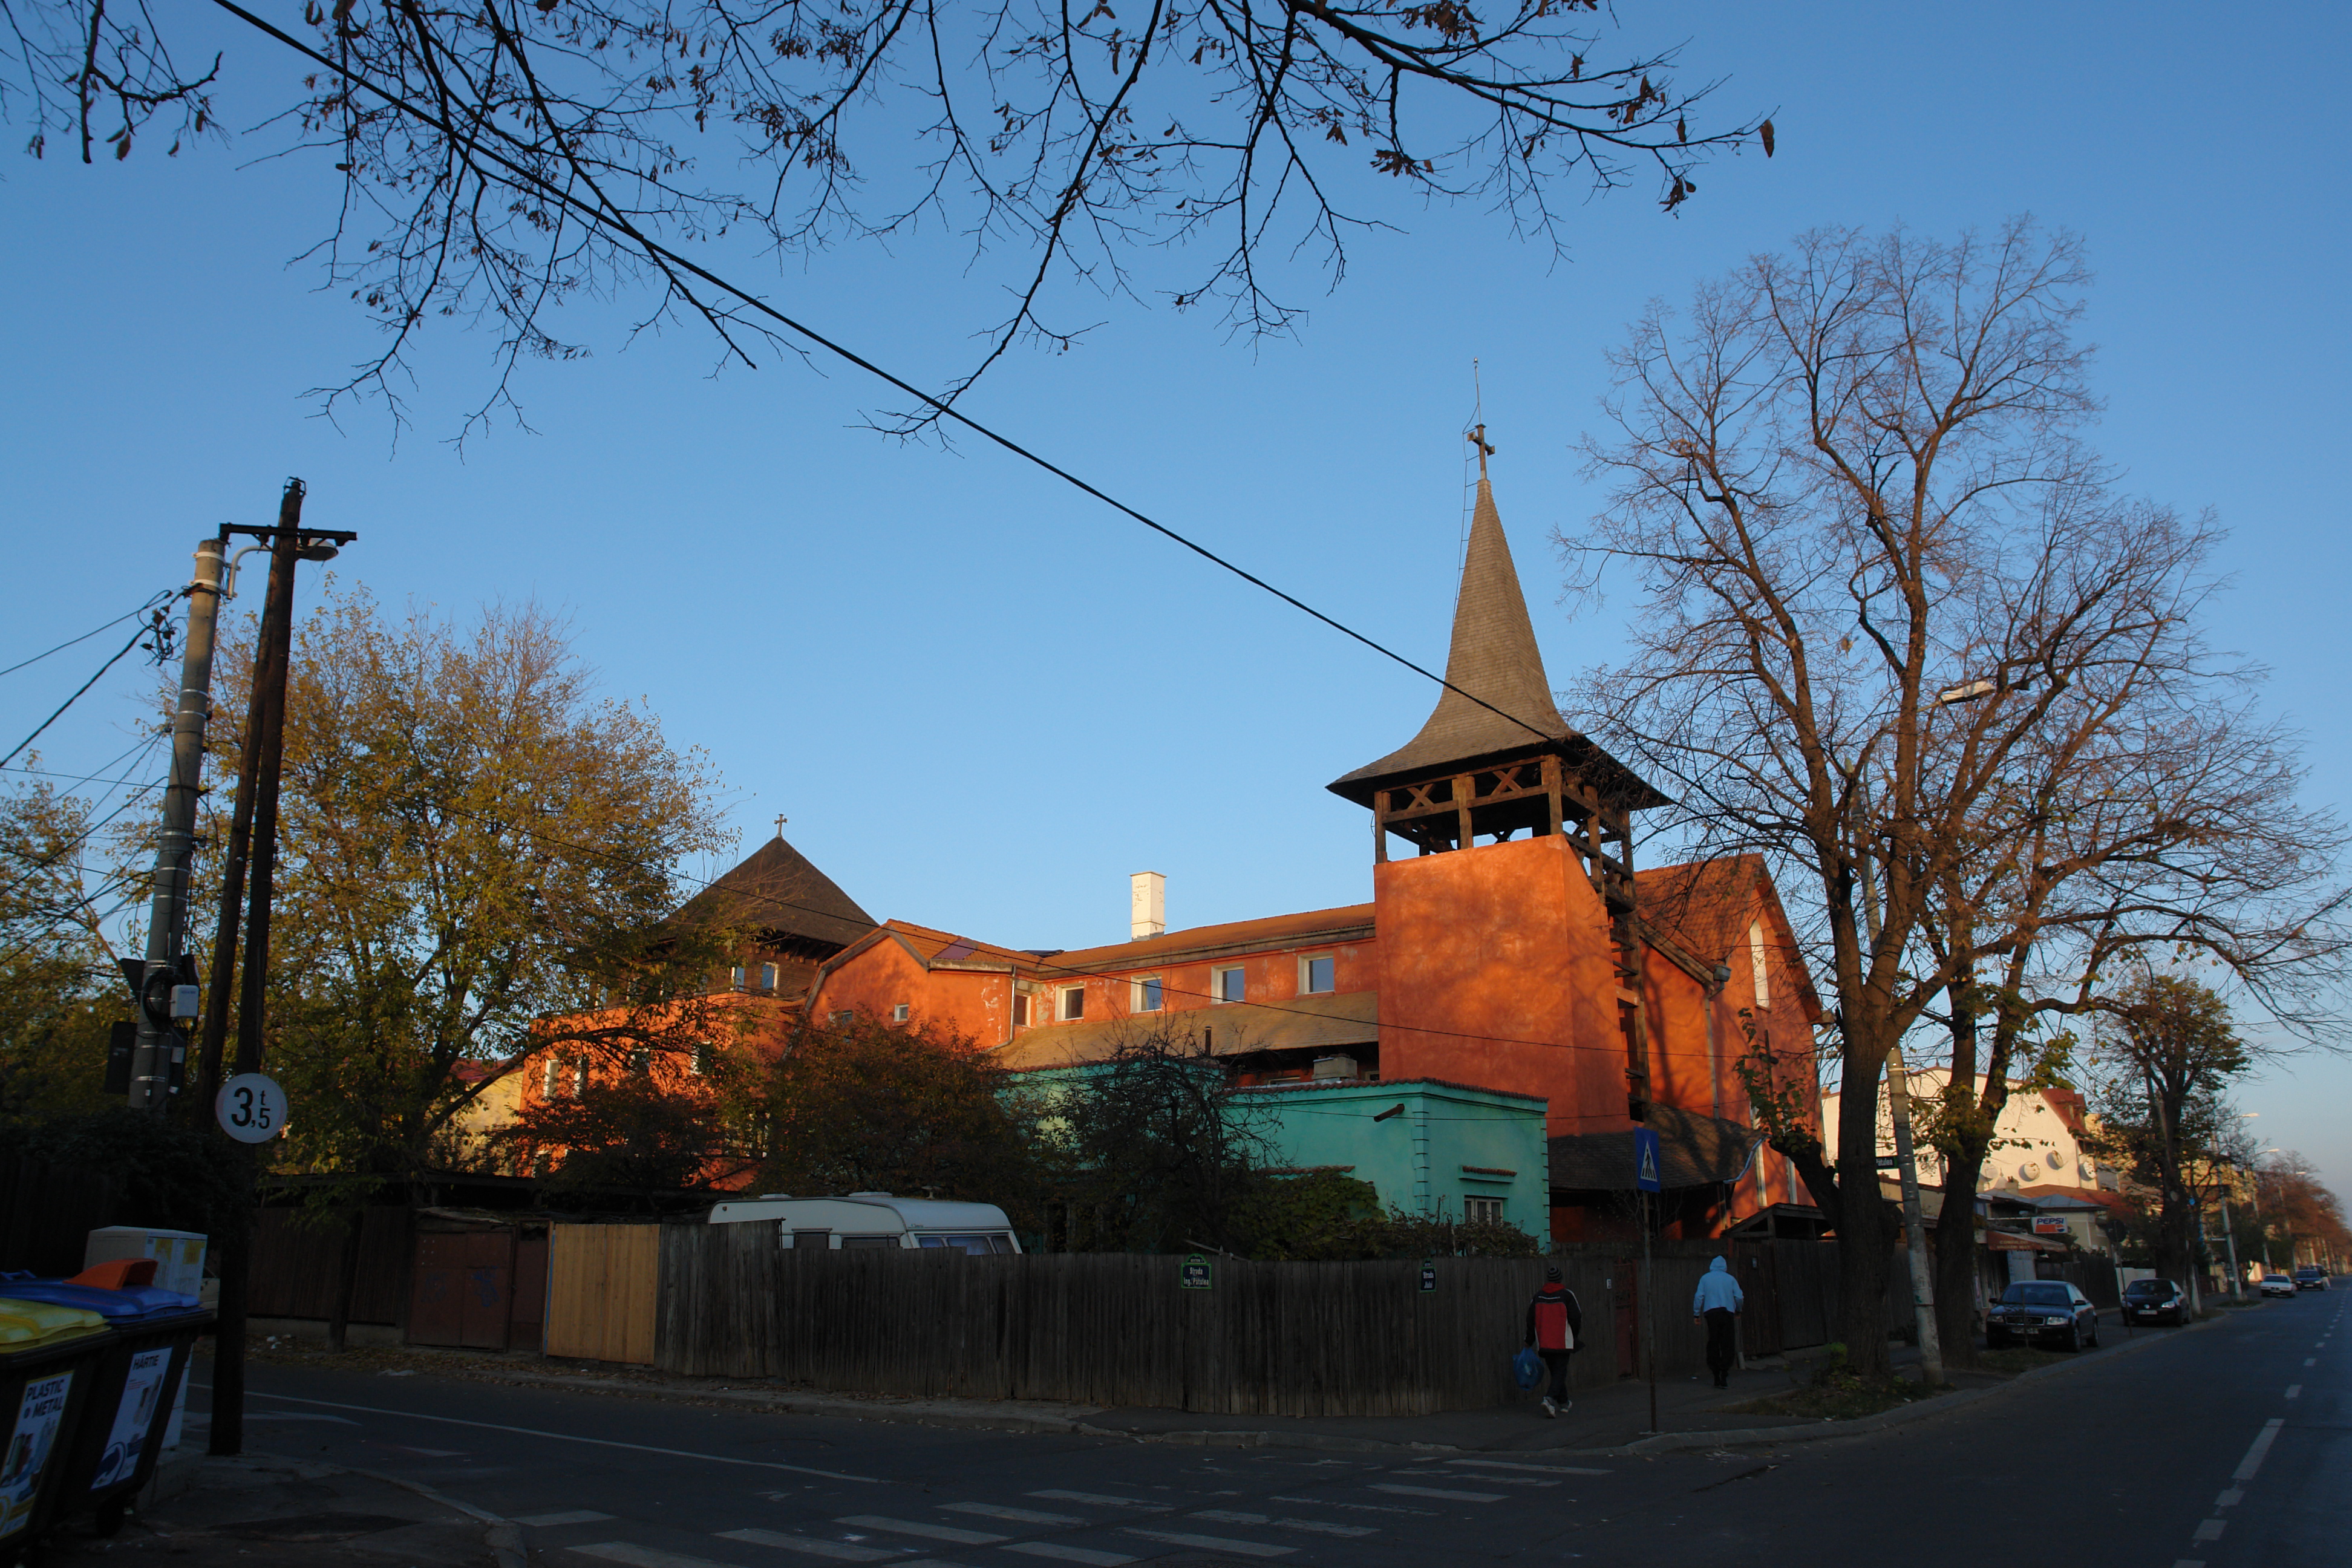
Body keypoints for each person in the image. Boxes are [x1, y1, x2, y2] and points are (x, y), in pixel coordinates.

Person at [1524, 1266, 1583, 1417]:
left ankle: (1564, 1402)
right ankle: (1549, 1400)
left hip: (1544, 1341)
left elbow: (1531, 1320)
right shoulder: (1567, 1295)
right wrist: (1574, 1335)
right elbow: (1576, 1317)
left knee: (1556, 1372)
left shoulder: (1538, 1297)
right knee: (1560, 1372)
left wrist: (1529, 1340)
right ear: (1560, 1279)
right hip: (1562, 1340)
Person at [1692, 1255, 1745, 1388]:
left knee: (1713, 1342)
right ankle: (1724, 1374)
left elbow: (1699, 1297)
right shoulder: (1730, 1279)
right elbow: (1739, 1297)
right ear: (1725, 1266)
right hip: (1727, 1313)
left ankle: (1715, 1374)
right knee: (1727, 1343)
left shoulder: (1705, 1278)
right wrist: (1738, 1310)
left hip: (1711, 1313)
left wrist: (1696, 1314)